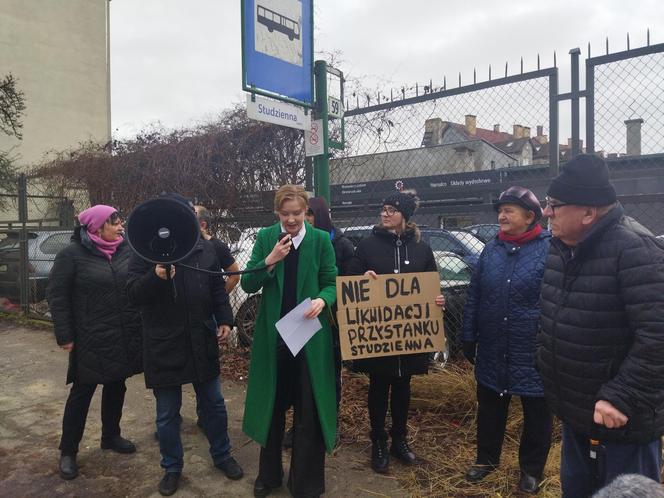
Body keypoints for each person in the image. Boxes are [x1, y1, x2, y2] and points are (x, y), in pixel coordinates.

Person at [536, 154, 664, 497]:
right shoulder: (562, 248)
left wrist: (621, 396)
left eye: (554, 205)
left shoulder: (636, 250)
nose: (546, 212)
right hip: (577, 413)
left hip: (621, 423)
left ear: (589, 213)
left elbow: (658, 335)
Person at [126, 193, 243, 496]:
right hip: (164, 344)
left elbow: (218, 287)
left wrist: (225, 319)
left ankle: (222, 455)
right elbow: (134, 294)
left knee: (214, 405)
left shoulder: (205, 248)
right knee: (167, 414)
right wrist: (156, 275)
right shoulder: (144, 251)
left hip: (201, 338)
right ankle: (172, 468)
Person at [241, 184, 337, 498]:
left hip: (308, 336)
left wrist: (323, 301)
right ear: (277, 213)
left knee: (307, 411)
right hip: (275, 336)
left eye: (297, 213)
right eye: (286, 214)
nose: (292, 220)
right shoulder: (267, 237)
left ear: (306, 212)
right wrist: (270, 259)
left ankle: (305, 483)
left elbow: (330, 280)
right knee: (273, 406)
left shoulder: (320, 240)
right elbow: (248, 281)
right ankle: (268, 476)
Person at [461, 186, 552, 494]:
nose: (502, 215)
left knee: (537, 412)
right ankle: (486, 460)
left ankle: (531, 471)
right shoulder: (491, 249)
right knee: (489, 406)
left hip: (533, 348)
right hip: (493, 345)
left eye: (509, 210)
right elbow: (475, 294)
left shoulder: (550, 249)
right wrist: (468, 334)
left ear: (529, 217)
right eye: (500, 209)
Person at [346, 190, 445, 474]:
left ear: (405, 215)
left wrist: (438, 300)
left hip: (409, 336)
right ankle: (378, 440)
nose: (385, 213)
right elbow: (350, 279)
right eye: (383, 208)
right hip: (379, 338)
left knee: (403, 386)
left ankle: (399, 440)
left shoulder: (421, 249)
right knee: (379, 386)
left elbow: (431, 287)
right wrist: (361, 279)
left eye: (391, 209)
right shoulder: (367, 246)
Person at [48, 205, 142, 480]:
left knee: (117, 385)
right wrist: (64, 335)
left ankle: (110, 435)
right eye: (114, 223)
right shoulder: (72, 256)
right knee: (82, 393)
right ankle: (68, 450)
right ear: (97, 227)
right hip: (90, 335)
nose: (120, 226)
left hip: (121, 334)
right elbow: (57, 295)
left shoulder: (126, 251)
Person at [279, 196, 354, 449]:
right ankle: (299, 424)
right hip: (300, 321)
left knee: (328, 376)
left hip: (330, 322)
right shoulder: (292, 242)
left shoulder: (340, 244)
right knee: (300, 378)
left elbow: (344, 282)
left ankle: (327, 424)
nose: (305, 219)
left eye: (309, 214)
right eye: (304, 213)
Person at [194, 205, 240, 295]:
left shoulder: (217, 246)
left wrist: (219, 297)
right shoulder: (182, 247)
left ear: (202, 225)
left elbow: (235, 275)